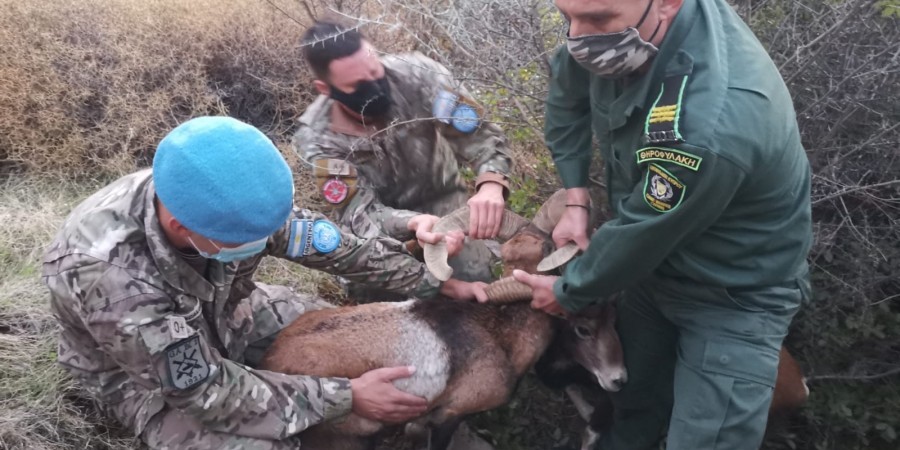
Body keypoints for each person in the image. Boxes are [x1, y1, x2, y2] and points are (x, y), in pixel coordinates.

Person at [42, 116, 487, 449]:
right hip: (142, 376)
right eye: (245, 241)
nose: (261, 243)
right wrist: (345, 397)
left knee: (339, 330)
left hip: (233, 314)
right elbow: (203, 391)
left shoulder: (233, 195)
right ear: (181, 228)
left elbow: (330, 247)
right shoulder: (110, 279)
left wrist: (429, 280)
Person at [513, 0, 813, 449]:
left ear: (669, 4)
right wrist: (575, 198)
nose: (576, 36)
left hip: (732, 296)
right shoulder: (621, 28)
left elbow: (645, 229)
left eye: (594, 20)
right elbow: (567, 97)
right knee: (631, 405)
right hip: (653, 274)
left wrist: (568, 291)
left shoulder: (713, 120)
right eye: (566, 17)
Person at [293, 21, 513, 284]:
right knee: (383, 308)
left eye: (376, 72)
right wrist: (413, 223)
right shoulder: (318, 137)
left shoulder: (420, 77)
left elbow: (483, 136)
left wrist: (491, 184)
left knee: (476, 289)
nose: (375, 87)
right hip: (379, 234)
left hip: (446, 208)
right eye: (358, 84)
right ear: (325, 89)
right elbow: (357, 213)